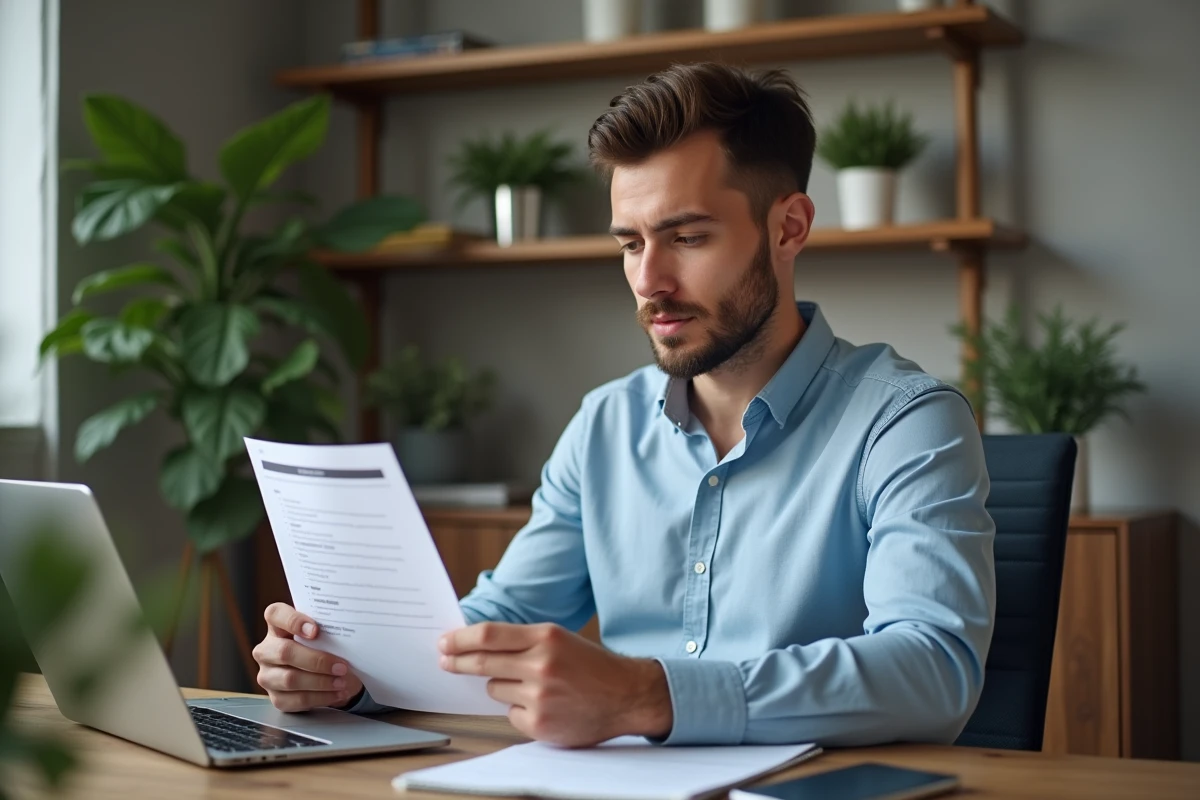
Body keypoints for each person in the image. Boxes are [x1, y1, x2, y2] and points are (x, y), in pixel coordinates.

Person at [252, 62, 995, 749]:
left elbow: (932, 670)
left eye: (687, 237)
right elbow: (498, 623)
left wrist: (650, 695)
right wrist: (355, 673)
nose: (651, 280)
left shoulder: (907, 421)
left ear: (788, 227)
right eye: (631, 243)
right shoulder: (605, 424)